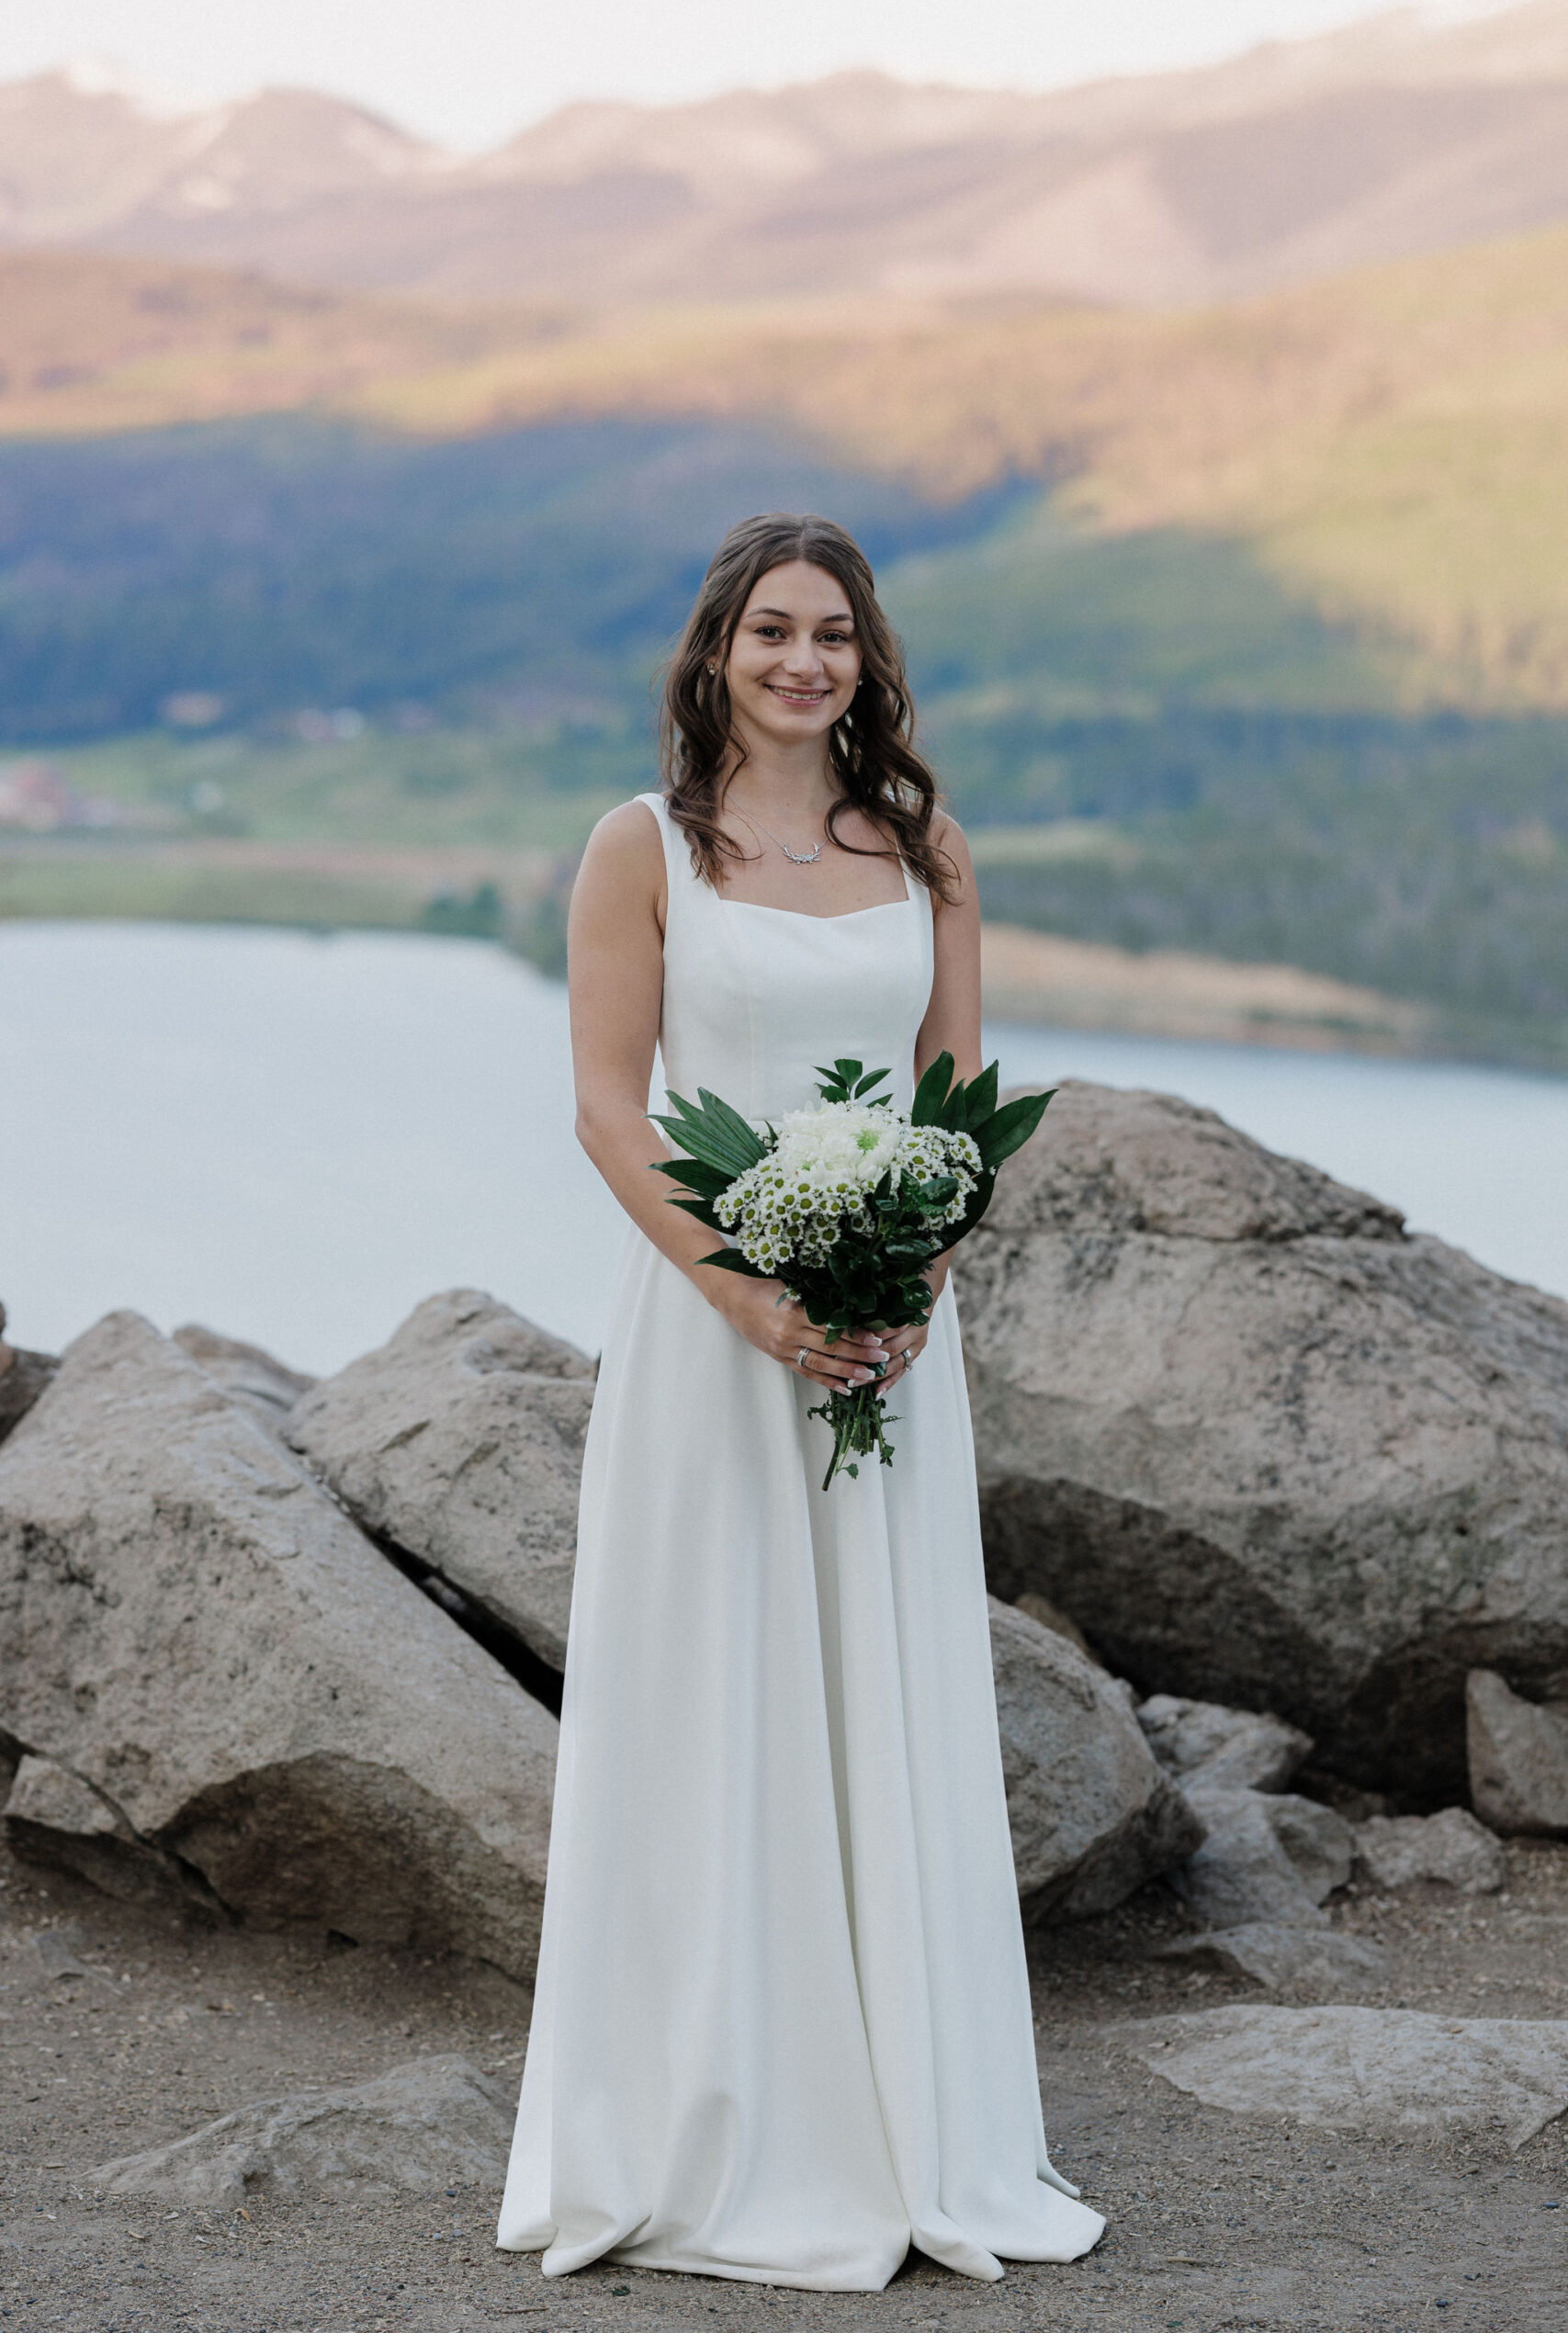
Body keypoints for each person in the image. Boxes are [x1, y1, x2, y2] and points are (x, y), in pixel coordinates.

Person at [496, 512, 1104, 2290]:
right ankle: (709, 2120)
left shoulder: (924, 844)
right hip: (709, 1344)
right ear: (714, 649)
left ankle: (914, 2121)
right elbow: (612, 1108)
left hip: (889, 1359)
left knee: (881, 1708)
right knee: (713, 1702)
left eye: (831, 632)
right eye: (770, 629)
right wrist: (755, 1297)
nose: (801, 661)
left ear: (867, 657)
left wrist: (907, 1275)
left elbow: (955, 1095)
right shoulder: (643, 850)